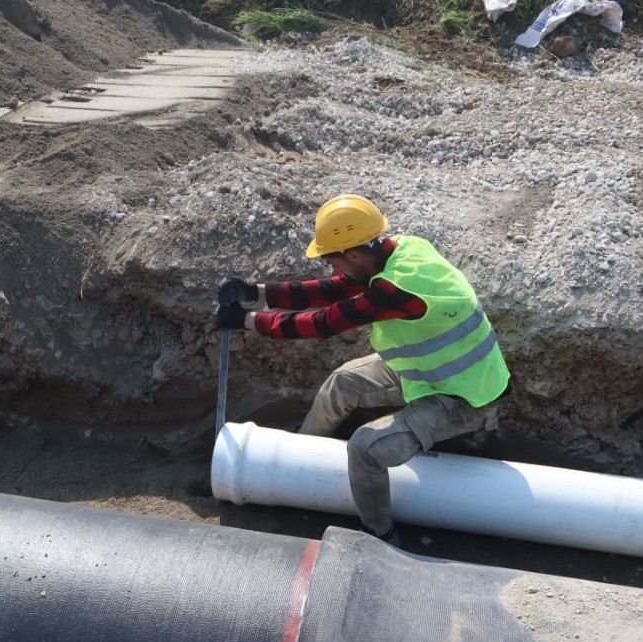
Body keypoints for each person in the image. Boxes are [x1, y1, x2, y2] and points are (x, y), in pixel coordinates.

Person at [216, 194, 510, 548]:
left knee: (364, 448)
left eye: (331, 260)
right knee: (343, 382)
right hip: (430, 372)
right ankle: (300, 458)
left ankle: (381, 536)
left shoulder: (396, 289)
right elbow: (334, 289)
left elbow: (324, 322)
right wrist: (256, 291)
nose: (331, 268)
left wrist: (248, 321)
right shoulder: (401, 249)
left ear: (354, 255)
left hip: (467, 398)